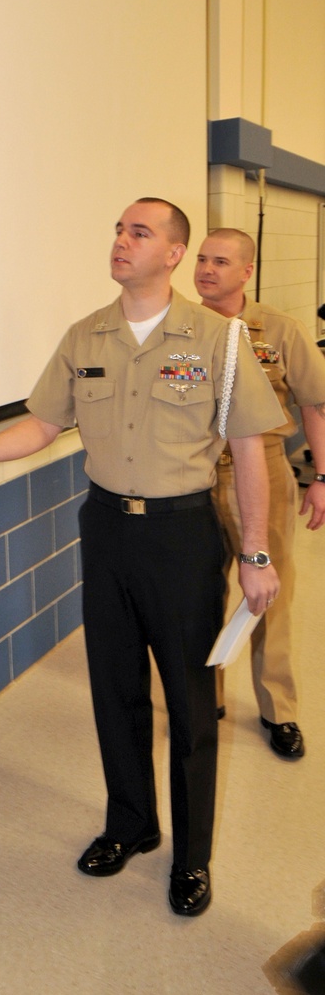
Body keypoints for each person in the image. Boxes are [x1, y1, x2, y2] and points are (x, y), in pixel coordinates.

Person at [0, 198, 284, 917]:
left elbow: (249, 456)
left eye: (139, 232)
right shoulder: (87, 335)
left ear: (173, 253)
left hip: (182, 536)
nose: (121, 241)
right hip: (108, 530)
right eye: (119, 229)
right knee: (113, 689)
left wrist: (256, 553)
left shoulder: (219, 339)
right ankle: (131, 825)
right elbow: (46, 424)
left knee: (188, 702)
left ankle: (191, 856)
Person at [194, 228, 325, 759]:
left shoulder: (280, 331)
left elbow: (315, 405)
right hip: (197, 472)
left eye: (221, 261)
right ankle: (208, 699)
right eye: (201, 259)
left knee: (268, 593)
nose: (207, 270)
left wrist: (322, 478)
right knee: (199, 594)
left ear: (246, 271)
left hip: (264, 471)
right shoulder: (181, 328)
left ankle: (279, 711)